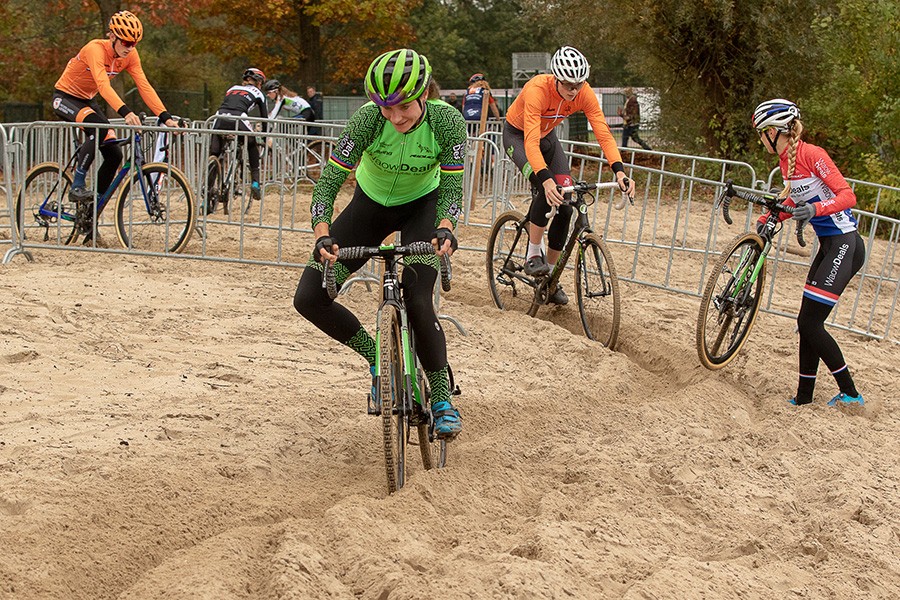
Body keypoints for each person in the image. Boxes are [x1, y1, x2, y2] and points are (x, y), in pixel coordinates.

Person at [293, 49, 466, 439]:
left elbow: (453, 187)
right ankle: (378, 359)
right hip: (368, 207)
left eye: (403, 107)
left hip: (423, 209)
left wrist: (445, 226)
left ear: (425, 93)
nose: (395, 117)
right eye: (385, 108)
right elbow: (327, 183)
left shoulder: (447, 122)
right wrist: (322, 231)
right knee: (308, 296)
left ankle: (441, 398)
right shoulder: (369, 120)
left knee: (417, 295)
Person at [752, 99, 866, 408]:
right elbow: (794, 205)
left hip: (845, 244)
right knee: (807, 321)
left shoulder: (813, 155)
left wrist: (815, 208)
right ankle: (804, 397)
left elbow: (848, 195)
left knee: (810, 324)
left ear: (776, 132)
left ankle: (851, 394)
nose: (761, 139)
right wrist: (769, 218)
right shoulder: (787, 164)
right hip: (829, 245)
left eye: (762, 132)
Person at [503, 46, 635, 305]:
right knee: (547, 188)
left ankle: (550, 278)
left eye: (579, 84)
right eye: (569, 85)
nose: (574, 90)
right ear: (556, 78)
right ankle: (532, 254)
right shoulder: (537, 90)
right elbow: (530, 141)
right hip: (519, 136)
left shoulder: (583, 93)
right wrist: (545, 177)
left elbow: (602, 132)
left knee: (565, 203)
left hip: (548, 137)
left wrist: (619, 170)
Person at [52, 10, 181, 210]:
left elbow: (144, 85)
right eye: (126, 43)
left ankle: (91, 210)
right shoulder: (94, 49)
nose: (130, 48)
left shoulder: (130, 56)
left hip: (87, 100)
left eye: (134, 44)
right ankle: (77, 184)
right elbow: (103, 86)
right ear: (112, 36)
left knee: (115, 155)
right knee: (99, 128)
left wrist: (165, 117)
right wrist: (126, 113)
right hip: (65, 97)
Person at [208, 68, 269, 207]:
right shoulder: (259, 93)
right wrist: (264, 138)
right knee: (251, 144)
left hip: (218, 118)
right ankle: (255, 182)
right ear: (259, 82)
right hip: (239, 118)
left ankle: (208, 186)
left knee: (215, 154)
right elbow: (265, 118)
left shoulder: (232, 88)